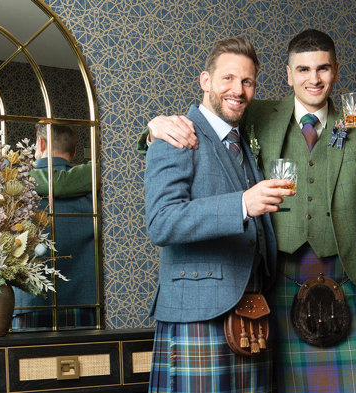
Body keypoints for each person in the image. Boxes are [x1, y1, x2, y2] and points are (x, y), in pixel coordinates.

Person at [138, 29, 356, 392]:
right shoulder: (257, 114)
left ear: (336, 71)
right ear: (288, 75)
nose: (314, 79)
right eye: (303, 70)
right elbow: (208, 118)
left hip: (345, 280)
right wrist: (153, 129)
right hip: (276, 285)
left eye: (322, 69)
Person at [144, 37, 294, 393]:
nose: (238, 90)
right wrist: (241, 204)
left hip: (252, 313)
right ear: (205, 81)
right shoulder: (177, 135)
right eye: (228, 79)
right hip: (198, 314)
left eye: (247, 82)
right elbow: (161, 222)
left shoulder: (245, 139)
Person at [13, 124, 96, 329]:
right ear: (74, 151)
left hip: (27, 302)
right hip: (84, 300)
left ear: (40, 144)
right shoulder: (96, 185)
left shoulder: (13, 188)